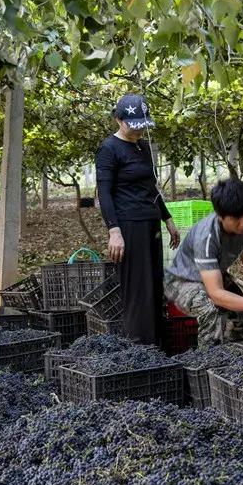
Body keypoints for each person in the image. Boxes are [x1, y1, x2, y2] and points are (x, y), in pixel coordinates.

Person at [95, 93, 181, 345]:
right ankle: (140, 347)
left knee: (154, 286)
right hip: (129, 225)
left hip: (150, 222)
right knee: (137, 289)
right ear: (118, 121)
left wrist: (167, 218)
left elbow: (150, 186)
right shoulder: (108, 149)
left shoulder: (142, 146)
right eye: (134, 125)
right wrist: (114, 231)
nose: (139, 131)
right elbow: (105, 194)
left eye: (143, 125)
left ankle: (157, 343)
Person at [163, 178, 243, 347]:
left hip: (213, 274)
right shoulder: (207, 237)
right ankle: (206, 364)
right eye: (236, 219)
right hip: (182, 281)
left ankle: (232, 352)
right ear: (220, 217)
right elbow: (216, 294)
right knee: (212, 310)